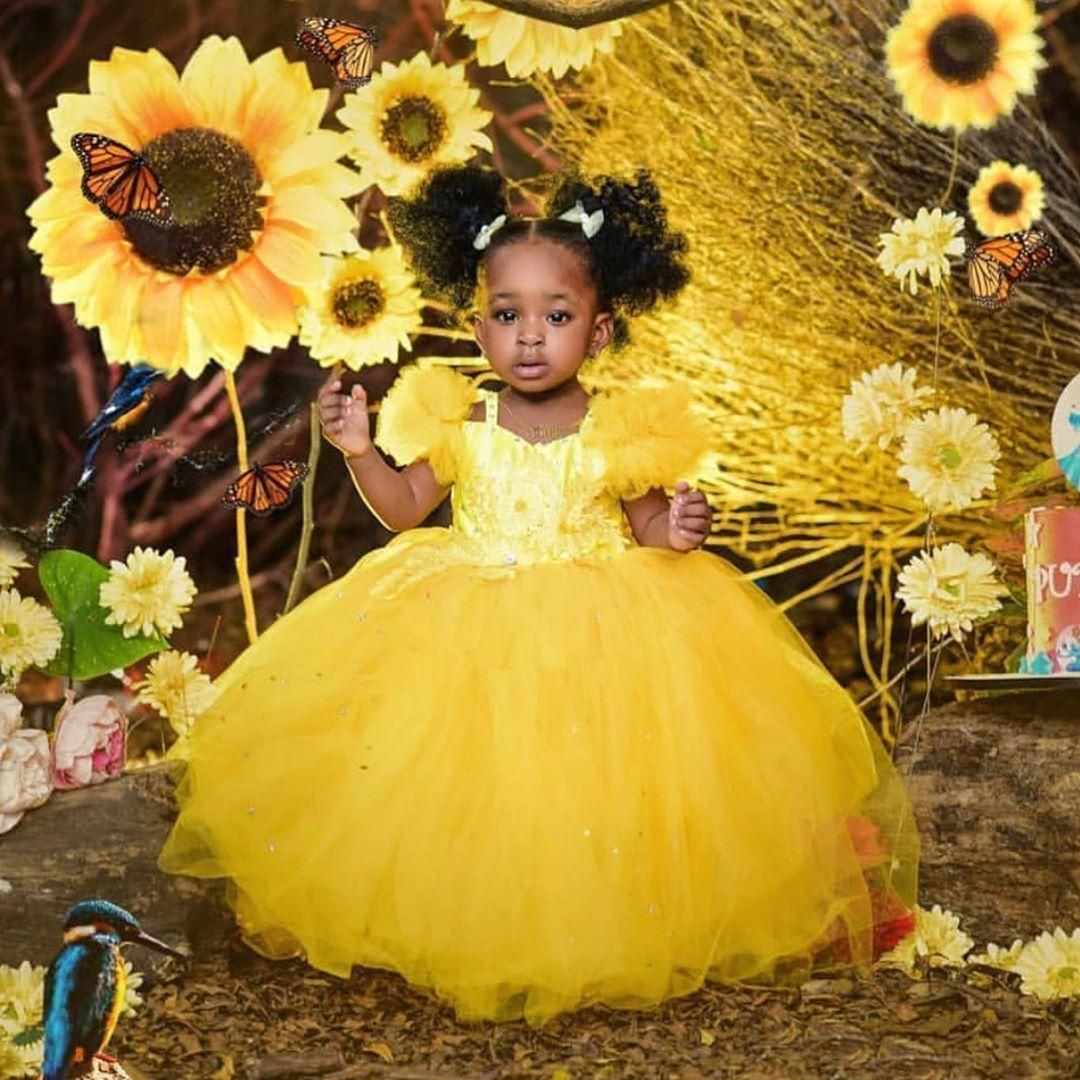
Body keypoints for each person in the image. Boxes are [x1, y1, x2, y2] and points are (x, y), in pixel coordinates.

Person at [159, 162, 918, 1028]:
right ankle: (469, 922)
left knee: (602, 784)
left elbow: (647, 527)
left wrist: (683, 527)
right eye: (508, 316)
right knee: (460, 779)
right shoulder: (459, 420)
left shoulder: (619, 428)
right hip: (467, 613)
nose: (530, 337)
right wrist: (362, 449)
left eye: (556, 317)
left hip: (602, 630)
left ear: (597, 333)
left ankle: (603, 925)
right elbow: (407, 511)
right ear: (477, 325)